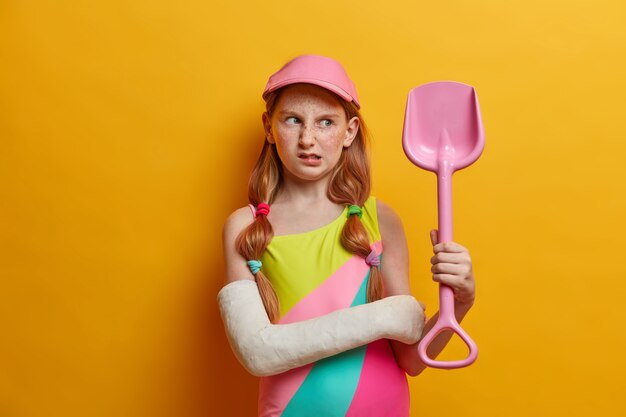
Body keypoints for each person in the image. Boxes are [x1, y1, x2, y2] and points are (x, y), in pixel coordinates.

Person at [219, 54, 476, 417]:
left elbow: (411, 358)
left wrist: (459, 303)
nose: (308, 138)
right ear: (269, 127)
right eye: (293, 120)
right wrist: (386, 317)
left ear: (349, 131)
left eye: (326, 122)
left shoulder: (380, 219)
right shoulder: (244, 228)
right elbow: (256, 352)